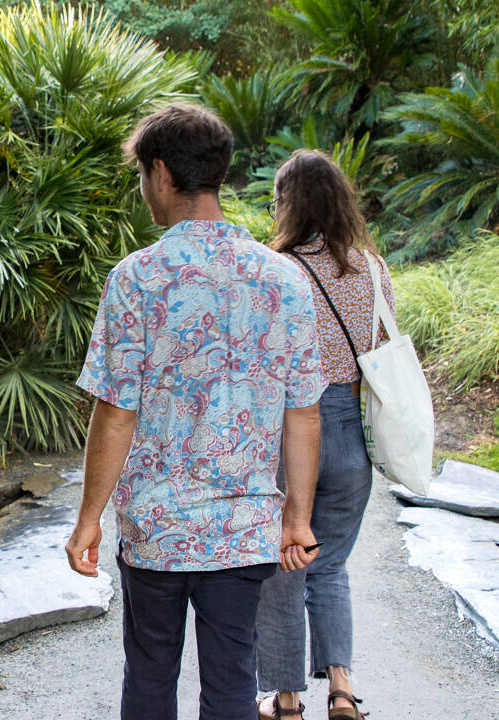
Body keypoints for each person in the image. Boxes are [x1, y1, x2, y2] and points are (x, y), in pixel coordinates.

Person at [64, 103, 328, 720]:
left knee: (150, 675)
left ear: (160, 173)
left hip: (157, 529)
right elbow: (304, 413)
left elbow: (115, 413)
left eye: (141, 177)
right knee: (233, 683)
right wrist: (298, 517)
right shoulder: (283, 278)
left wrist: (89, 520)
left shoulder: (137, 278)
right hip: (242, 532)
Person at [252, 149, 396, 720]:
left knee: (284, 570)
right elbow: (382, 349)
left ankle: (286, 699)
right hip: (351, 435)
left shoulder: (274, 268)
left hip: (292, 435)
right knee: (330, 567)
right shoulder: (373, 267)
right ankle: (341, 687)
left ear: (288, 203)